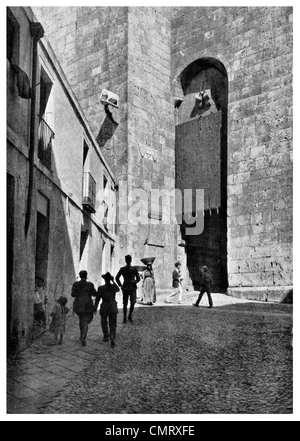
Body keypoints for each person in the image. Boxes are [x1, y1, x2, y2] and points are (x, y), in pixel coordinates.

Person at [94, 272, 120, 348]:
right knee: (113, 323)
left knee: (104, 321)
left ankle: (106, 336)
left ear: (104, 280)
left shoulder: (101, 288)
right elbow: (118, 289)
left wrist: (95, 307)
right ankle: (112, 336)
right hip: (112, 306)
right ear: (110, 279)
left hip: (104, 306)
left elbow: (98, 299)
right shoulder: (113, 287)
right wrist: (113, 281)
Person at [71, 270, 96, 346]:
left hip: (78, 305)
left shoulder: (76, 284)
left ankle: (82, 335)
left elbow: (73, 294)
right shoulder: (90, 284)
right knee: (85, 321)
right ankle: (83, 337)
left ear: (80, 275)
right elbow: (94, 293)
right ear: (86, 275)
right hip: (88, 305)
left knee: (81, 320)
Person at [116, 255, 140, 323]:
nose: (128, 260)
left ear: (131, 260)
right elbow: (117, 278)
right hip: (125, 287)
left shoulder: (134, 269)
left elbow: (138, 278)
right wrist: (120, 285)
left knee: (133, 302)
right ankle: (124, 318)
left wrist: (134, 281)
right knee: (125, 303)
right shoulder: (122, 269)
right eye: (127, 259)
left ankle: (129, 315)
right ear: (125, 260)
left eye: (129, 259)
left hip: (132, 287)